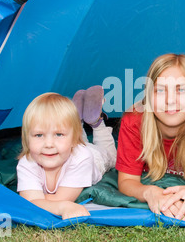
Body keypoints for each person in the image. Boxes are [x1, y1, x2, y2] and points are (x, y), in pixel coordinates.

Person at [116, 53, 185, 223]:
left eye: (180, 89)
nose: (170, 100)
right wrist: (150, 193)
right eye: (160, 90)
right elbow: (127, 181)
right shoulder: (134, 120)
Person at [16, 88, 116, 220]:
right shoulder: (27, 163)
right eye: (39, 135)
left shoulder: (82, 158)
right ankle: (77, 121)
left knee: (110, 156)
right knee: (74, 139)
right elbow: (32, 203)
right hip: (69, 147)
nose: (49, 144)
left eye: (58, 134)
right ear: (27, 139)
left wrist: (39, 199)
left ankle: (96, 122)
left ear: (73, 140)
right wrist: (60, 206)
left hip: (94, 158)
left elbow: (57, 200)